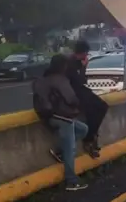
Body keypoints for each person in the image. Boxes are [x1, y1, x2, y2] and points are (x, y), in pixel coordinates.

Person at [33, 54, 89, 191]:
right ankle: (72, 181)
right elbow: (71, 99)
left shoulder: (43, 79)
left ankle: (59, 151)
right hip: (63, 118)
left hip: (48, 117)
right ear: (63, 66)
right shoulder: (60, 79)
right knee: (70, 150)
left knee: (83, 129)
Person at [66, 40, 108, 158]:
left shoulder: (76, 62)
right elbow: (80, 81)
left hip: (80, 92)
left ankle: (92, 136)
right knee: (94, 110)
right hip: (74, 94)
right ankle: (89, 138)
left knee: (102, 107)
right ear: (83, 52)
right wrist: (84, 67)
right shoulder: (70, 63)